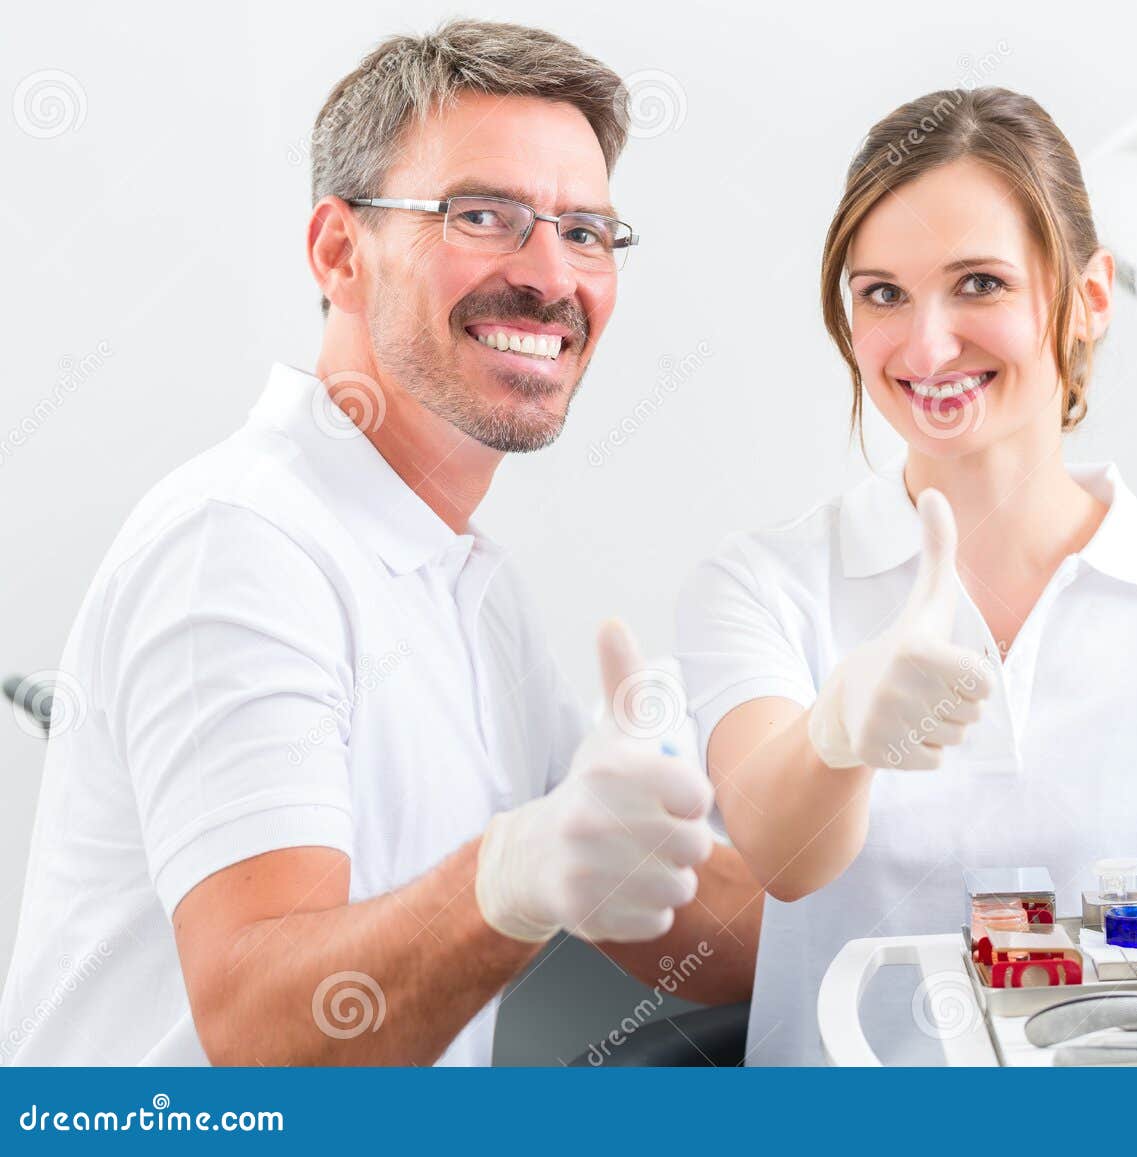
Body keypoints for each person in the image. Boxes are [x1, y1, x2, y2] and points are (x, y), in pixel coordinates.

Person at [0, 20, 759, 1067]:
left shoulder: (468, 588)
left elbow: (670, 916)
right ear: (338, 250)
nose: (551, 275)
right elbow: (261, 1033)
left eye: (585, 229)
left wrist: (928, 911)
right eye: (482, 214)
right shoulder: (242, 544)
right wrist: (510, 871)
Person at [675, 87, 1137, 1066]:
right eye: (882, 293)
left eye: (978, 283)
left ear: (1089, 298)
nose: (927, 345)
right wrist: (836, 732)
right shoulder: (761, 584)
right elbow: (783, 855)